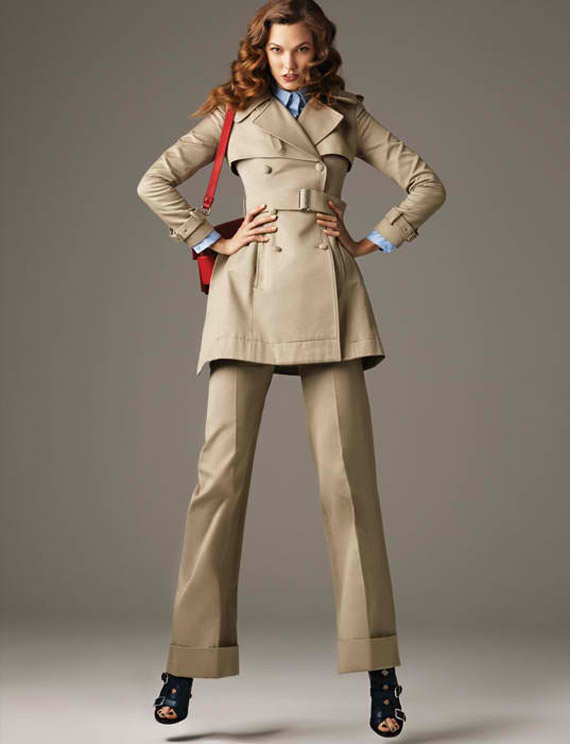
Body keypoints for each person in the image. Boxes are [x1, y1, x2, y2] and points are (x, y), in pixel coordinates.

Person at [136, 0, 446, 737]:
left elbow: (426, 183)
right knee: (218, 484)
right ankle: (185, 663)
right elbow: (155, 181)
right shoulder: (234, 114)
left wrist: (374, 240)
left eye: (302, 49)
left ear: (321, 50)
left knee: (349, 486)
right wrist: (211, 240)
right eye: (277, 51)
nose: (290, 63)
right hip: (246, 298)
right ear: (262, 52)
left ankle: (380, 674)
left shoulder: (347, 116)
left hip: (327, 297)